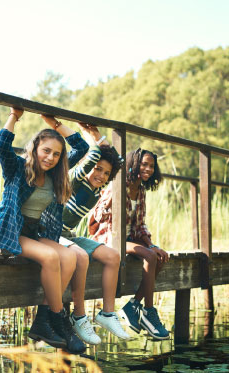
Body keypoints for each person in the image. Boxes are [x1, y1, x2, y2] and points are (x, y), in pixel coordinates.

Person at [0, 108, 89, 354]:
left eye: (56, 154)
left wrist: (55, 124)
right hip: (10, 230)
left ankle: (43, 320)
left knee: (68, 256)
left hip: (34, 234)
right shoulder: (17, 167)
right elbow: (2, 144)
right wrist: (14, 115)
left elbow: (81, 147)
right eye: (46, 150)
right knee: (50, 256)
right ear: (35, 148)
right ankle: (59, 319)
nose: (50, 157)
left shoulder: (55, 176)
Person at [59, 123, 130, 344]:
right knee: (80, 256)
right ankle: (78, 316)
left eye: (106, 173)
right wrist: (93, 137)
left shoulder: (98, 188)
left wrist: (97, 134)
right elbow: (95, 157)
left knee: (112, 257)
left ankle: (107, 313)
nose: (100, 175)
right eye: (98, 169)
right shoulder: (76, 179)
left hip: (67, 235)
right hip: (50, 234)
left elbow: (117, 162)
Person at [89, 148, 170, 340]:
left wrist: (151, 245)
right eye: (144, 164)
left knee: (157, 256)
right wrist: (108, 204)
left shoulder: (140, 191)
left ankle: (133, 305)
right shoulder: (118, 185)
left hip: (128, 240)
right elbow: (98, 215)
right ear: (134, 164)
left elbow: (140, 225)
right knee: (149, 256)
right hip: (108, 239)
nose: (148, 169)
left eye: (151, 166)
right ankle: (148, 312)